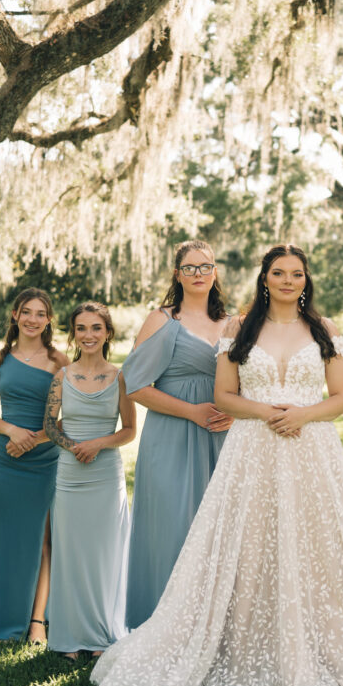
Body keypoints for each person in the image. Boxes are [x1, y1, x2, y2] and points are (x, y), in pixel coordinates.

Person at [90, 244, 343, 686]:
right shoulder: (237, 329)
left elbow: (342, 396)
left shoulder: (325, 331)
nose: (288, 281)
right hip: (252, 449)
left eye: (297, 274)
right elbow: (225, 394)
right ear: (264, 278)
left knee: (319, 547)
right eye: (279, 273)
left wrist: (303, 415)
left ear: (307, 280)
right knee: (248, 545)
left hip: (311, 450)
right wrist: (267, 412)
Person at [123, 240, 233, 630]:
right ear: (177, 274)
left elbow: (248, 383)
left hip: (222, 438)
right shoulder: (162, 320)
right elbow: (134, 385)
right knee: (172, 529)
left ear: (216, 271)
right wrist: (192, 412)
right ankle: (162, 629)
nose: (199, 273)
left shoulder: (232, 323)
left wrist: (234, 414)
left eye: (206, 266)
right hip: (171, 436)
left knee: (219, 531)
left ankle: (214, 629)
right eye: (190, 267)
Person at [43, 302, 136, 658]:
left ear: (107, 333)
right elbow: (51, 425)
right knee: (71, 552)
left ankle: (101, 633)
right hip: (69, 475)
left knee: (104, 554)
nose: (88, 335)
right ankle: (70, 634)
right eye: (81, 328)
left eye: (96, 328)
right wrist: (73, 446)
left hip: (105, 474)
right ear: (74, 334)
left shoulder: (121, 377)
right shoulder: (62, 377)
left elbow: (129, 430)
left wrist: (98, 443)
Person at [0, 288, 69, 643]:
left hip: (45, 459)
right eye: (26, 312)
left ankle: (36, 621)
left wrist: (35, 438)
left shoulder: (59, 362)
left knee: (43, 538)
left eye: (41, 313)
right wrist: (12, 430)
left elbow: (69, 419)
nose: (33, 319)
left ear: (48, 320)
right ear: (15, 315)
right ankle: (1, 621)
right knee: (6, 538)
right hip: (6, 459)